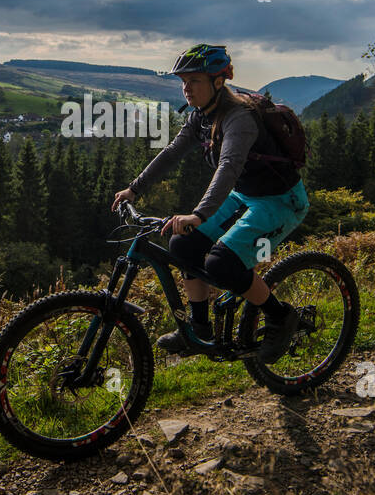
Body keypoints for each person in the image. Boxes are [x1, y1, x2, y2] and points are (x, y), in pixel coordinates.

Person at [110, 43, 310, 364]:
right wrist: (134, 189)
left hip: (280, 201)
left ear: (218, 82)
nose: (186, 89)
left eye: (194, 81)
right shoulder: (200, 117)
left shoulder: (239, 119)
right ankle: (198, 329)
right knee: (183, 244)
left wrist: (198, 215)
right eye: (183, 82)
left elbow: (228, 166)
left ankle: (279, 316)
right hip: (245, 194)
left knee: (222, 264)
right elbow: (172, 152)